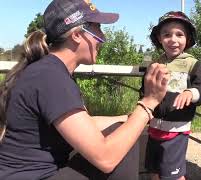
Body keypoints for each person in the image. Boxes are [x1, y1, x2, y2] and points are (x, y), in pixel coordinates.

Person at [0, 0, 169, 179]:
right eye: (98, 29)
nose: (103, 38)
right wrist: (148, 103)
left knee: (125, 129)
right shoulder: (51, 76)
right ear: (78, 35)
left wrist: (130, 118)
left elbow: (84, 124)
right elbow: (106, 158)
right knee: (121, 147)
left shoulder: (49, 70)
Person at [140, 11, 201, 180]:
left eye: (179, 34)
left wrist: (191, 92)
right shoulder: (155, 63)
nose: (173, 40)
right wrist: (143, 108)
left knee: (173, 174)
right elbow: (144, 90)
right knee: (153, 170)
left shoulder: (191, 63)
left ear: (187, 39)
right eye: (167, 34)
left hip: (176, 130)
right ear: (159, 38)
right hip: (154, 128)